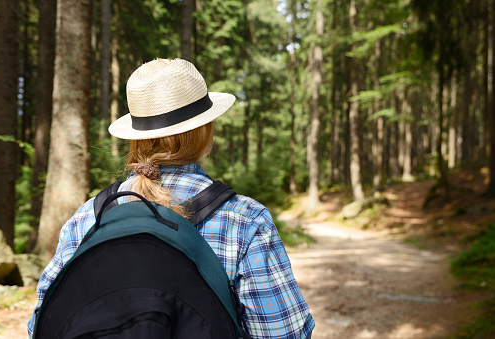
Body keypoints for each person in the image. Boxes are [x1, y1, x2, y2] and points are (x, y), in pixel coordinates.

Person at [28, 58, 314, 338]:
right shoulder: (245, 219)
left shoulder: (89, 217)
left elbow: (40, 325)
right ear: (205, 131)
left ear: (136, 136)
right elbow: (283, 332)